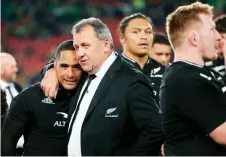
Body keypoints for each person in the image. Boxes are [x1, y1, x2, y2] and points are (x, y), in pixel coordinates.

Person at [41, 17, 163, 156]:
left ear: (106, 45)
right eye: (77, 47)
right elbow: (61, 62)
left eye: (86, 46)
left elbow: (155, 131)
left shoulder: (131, 79)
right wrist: (50, 70)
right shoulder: (83, 73)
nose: (80, 53)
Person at [160, 2, 226, 155]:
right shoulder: (183, 80)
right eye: (212, 30)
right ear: (194, 38)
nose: (218, 37)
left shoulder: (204, 74)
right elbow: (223, 134)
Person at [1, 40, 83, 156]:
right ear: (55, 65)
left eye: (76, 67)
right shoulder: (28, 98)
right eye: (64, 66)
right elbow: (6, 144)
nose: (70, 74)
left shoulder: (88, 94)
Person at [118, 13, 165, 104]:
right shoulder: (110, 71)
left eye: (148, 32)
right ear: (122, 38)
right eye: (136, 32)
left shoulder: (166, 74)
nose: (144, 37)